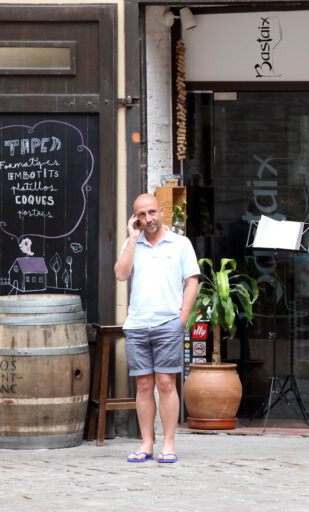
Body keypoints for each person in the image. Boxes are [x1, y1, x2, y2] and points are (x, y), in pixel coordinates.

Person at [115, 194, 200, 463]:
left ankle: (169, 443)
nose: (148, 219)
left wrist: (182, 318)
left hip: (167, 324)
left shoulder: (180, 243)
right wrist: (131, 238)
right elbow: (120, 274)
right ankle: (146, 444)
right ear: (135, 217)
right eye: (141, 214)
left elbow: (192, 281)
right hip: (138, 324)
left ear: (161, 211)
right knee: (143, 385)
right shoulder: (132, 243)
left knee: (165, 383)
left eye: (152, 212)